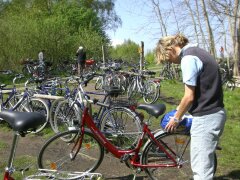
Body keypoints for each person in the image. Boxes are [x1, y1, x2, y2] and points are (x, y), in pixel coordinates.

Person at [156, 34, 226, 180]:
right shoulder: (198, 52)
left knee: (201, 171)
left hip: (206, 117)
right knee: (205, 164)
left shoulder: (188, 58)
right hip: (214, 112)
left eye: (167, 58)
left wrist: (176, 118)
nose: (170, 62)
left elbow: (189, 97)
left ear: (170, 49)